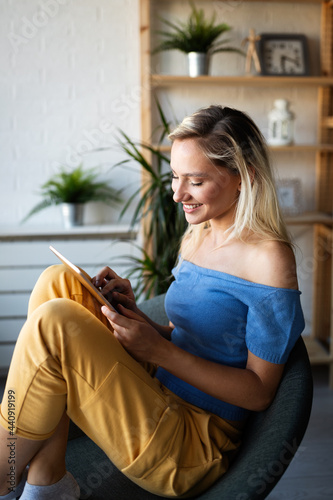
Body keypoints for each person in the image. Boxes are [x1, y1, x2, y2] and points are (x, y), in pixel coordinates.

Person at [0, 105, 305, 500]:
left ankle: (5, 476)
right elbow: (196, 337)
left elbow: (260, 392)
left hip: (192, 443)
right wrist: (137, 316)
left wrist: (159, 350)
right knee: (58, 283)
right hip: (157, 391)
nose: (178, 195)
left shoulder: (269, 259)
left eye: (195, 181)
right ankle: (47, 480)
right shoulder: (200, 232)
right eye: (176, 177)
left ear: (244, 177)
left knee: (54, 322)